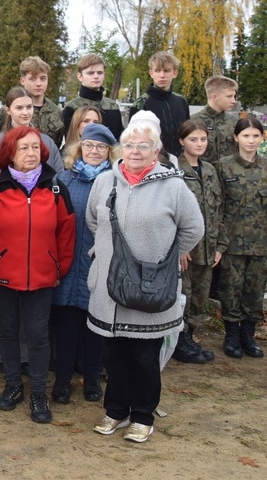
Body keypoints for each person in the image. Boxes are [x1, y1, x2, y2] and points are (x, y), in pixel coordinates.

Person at [86, 111, 203, 444]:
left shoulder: (173, 186)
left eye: (143, 145)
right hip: (110, 289)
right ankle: (116, 411)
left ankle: (142, 415)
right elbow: (93, 220)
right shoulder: (105, 181)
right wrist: (105, 253)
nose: (134, 151)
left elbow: (194, 228)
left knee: (144, 357)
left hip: (151, 289)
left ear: (156, 150)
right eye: (129, 144)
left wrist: (166, 258)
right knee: (113, 354)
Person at [0, 126, 75, 425]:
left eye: (35, 147)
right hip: (3, 275)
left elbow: (67, 233)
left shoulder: (56, 188)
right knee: (7, 331)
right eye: (23, 148)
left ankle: (39, 393)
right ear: (9, 154)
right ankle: (13, 385)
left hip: (43, 276)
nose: (31, 153)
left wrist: (60, 268)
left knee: (38, 335)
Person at [52, 123, 118, 404]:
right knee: (66, 328)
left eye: (100, 147)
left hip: (100, 266)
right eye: (89, 145)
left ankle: (92, 378)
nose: (94, 151)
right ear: (80, 148)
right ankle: (63, 380)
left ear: (109, 152)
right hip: (67, 267)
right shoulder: (63, 180)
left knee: (96, 328)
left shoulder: (116, 182)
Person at [214, 116, 267, 359]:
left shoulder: (266, 167)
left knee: (255, 292)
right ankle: (231, 336)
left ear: (262, 137)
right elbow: (216, 206)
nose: (251, 140)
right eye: (246, 135)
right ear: (236, 137)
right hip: (232, 243)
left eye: (255, 135)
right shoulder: (223, 166)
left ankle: (248, 334)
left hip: (261, 243)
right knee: (231, 290)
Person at [173, 120, 221, 363]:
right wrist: (179, 247)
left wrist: (219, 246)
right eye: (193, 139)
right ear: (182, 141)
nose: (199, 144)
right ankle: (180, 341)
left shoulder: (211, 170)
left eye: (203, 139)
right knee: (185, 294)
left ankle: (191, 336)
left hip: (208, 247)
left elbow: (219, 210)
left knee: (200, 296)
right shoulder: (174, 170)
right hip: (187, 250)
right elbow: (172, 213)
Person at [0, 87, 64, 180]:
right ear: (8, 110)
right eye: (19, 108)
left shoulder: (47, 141)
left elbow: (59, 177)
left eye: (29, 107)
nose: (25, 112)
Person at [129, 52, 190, 158]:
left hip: (181, 160)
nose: (162, 75)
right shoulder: (141, 104)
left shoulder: (181, 101)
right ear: (151, 73)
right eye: (158, 70)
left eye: (166, 70)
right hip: (153, 160)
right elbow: (134, 138)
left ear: (175, 73)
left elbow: (187, 132)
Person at [61, 53, 124, 139]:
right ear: (80, 76)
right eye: (90, 73)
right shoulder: (72, 108)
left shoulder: (113, 107)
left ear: (104, 75)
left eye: (99, 73)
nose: (96, 76)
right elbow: (70, 142)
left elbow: (119, 139)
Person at [192, 75, 239, 164]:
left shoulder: (234, 122)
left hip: (229, 174)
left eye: (234, 96)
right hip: (205, 175)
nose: (233, 101)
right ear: (214, 97)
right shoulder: (193, 122)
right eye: (229, 96)